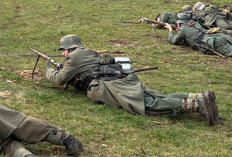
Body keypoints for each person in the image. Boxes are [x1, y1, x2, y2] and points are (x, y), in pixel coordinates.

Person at [43, 35, 219, 125]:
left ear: (69, 48)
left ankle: (197, 104)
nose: (62, 54)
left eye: (63, 50)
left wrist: (49, 71)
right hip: (122, 79)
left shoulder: (74, 58)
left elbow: (60, 79)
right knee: (157, 96)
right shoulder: (88, 52)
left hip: (111, 86)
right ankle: (198, 96)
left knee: (147, 105)